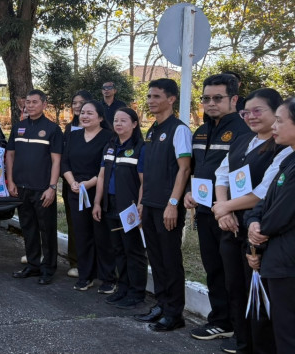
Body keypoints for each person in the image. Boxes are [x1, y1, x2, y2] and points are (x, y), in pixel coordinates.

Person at [213, 88, 287, 354]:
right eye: (246, 112)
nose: (251, 117)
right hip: (230, 227)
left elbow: (263, 193)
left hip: (259, 232)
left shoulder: (283, 149)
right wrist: (224, 211)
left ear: (276, 112)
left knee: (257, 295)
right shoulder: (242, 141)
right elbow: (221, 175)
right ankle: (242, 342)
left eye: (258, 111)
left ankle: (259, 346)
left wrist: (224, 207)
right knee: (235, 288)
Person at [184, 74, 249, 342]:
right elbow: (197, 169)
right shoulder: (201, 130)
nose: (211, 103)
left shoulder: (244, 131)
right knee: (213, 268)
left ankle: (239, 327)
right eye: (206, 98)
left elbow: (243, 176)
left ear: (234, 99)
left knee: (233, 273)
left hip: (230, 214)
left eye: (217, 98)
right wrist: (189, 192)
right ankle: (220, 321)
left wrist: (229, 208)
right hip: (204, 211)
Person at [133, 78, 192, 332]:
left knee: (170, 260)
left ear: (171, 99)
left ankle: (174, 313)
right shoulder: (152, 130)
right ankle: (161, 304)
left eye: (156, 96)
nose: (151, 101)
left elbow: (184, 169)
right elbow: (148, 173)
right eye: (149, 96)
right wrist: (142, 203)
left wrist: (173, 204)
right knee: (156, 259)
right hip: (150, 204)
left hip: (168, 207)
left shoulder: (179, 130)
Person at [245, 97, 295, 352]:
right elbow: (264, 204)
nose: (274, 127)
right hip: (277, 260)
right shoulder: (288, 160)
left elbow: (280, 216)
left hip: (287, 264)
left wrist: (258, 239)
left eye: (279, 121)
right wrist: (253, 222)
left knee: (288, 335)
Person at [5, 89, 63, 285]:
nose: (30, 105)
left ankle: (48, 269)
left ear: (44, 104)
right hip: (21, 187)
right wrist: (11, 181)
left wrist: (52, 187)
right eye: (28, 102)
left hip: (43, 189)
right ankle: (33, 265)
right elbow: (10, 155)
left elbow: (56, 161)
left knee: (47, 230)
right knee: (28, 228)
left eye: (34, 102)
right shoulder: (18, 128)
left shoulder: (52, 129)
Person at [94, 107, 147, 310]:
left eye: (123, 120)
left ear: (134, 124)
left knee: (133, 250)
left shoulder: (141, 148)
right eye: (116, 120)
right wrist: (97, 202)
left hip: (129, 207)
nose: (118, 124)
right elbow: (101, 177)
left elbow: (144, 181)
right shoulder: (110, 146)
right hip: (110, 204)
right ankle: (123, 288)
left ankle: (136, 292)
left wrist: (140, 204)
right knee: (118, 249)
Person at [62, 101, 115, 293]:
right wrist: (72, 183)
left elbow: (106, 167)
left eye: (89, 113)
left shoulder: (109, 137)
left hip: (97, 191)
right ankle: (86, 276)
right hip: (76, 191)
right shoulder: (74, 136)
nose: (84, 116)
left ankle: (108, 278)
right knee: (82, 234)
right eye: (82, 113)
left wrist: (89, 184)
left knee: (102, 235)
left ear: (100, 117)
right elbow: (64, 162)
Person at [60, 90, 94, 278]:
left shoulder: (101, 131)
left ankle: (93, 263)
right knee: (74, 223)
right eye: (74, 103)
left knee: (91, 223)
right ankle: (75, 261)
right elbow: (64, 156)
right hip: (71, 183)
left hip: (92, 183)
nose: (77, 106)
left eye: (81, 103)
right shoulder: (69, 128)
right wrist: (71, 180)